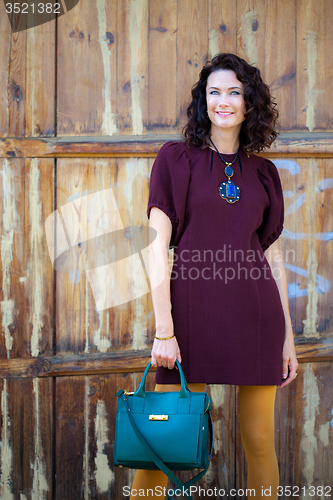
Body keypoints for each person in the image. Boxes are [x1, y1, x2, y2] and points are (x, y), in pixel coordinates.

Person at [130, 53, 298, 500]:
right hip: (187, 322)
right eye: (214, 92)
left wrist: (288, 339)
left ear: (249, 103)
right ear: (204, 101)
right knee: (162, 447)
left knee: (260, 442)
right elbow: (155, 247)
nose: (223, 101)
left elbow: (273, 260)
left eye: (234, 92)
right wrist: (164, 329)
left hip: (257, 321)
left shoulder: (265, 173)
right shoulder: (175, 159)